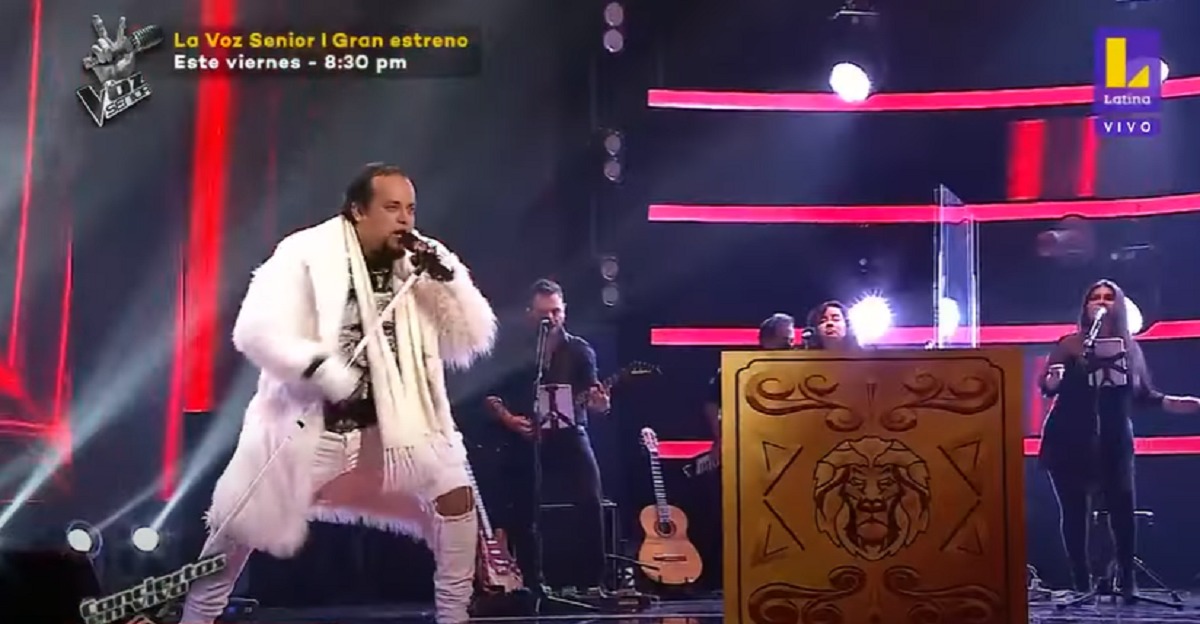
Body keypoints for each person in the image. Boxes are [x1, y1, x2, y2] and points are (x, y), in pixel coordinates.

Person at [181, 163, 498, 624]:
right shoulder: (305, 253)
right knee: (239, 528)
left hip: (401, 430)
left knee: (456, 498)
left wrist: (448, 282)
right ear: (357, 211)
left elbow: (470, 337)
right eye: (392, 208)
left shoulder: (423, 260)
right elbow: (255, 329)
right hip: (316, 428)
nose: (405, 219)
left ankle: (454, 617)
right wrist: (318, 368)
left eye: (410, 209)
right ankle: (196, 616)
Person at [1039, 279, 1200, 602]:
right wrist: (1053, 378)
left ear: (1120, 306)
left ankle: (1127, 580)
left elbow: (1143, 395)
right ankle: (1081, 583)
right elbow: (1048, 386)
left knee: (1122, 508)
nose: (1101, 302)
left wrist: (1179, 403)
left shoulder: (1130, 348)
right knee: (1074, 512)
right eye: (1095, 297)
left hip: (1113, 439)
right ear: (1085, 306)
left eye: (1108, 298)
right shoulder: (1070, 344)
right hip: (1068, 438)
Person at [484, 279, 611, 595]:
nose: (551, 319)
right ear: (530, 314)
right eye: (544, 314)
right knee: (521, 503)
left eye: (555, 312)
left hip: (570, 432)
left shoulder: (579, 350)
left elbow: (593, 393)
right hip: (527, 435)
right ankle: (530, 579)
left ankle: (592, 581)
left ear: (564, 311)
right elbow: (490, 396)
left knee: (590, 497)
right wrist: (509, 419)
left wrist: (599, 403)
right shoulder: (514, 352)